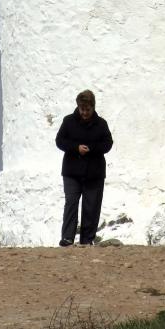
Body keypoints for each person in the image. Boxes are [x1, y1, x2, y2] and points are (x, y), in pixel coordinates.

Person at [55, 89, 113, 246]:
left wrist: (92, 149)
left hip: (94, 172)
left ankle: (87, 240)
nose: (85, 112)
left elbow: (108, 144)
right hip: (72, 172)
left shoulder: (101, 124)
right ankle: (67, 238)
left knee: (91, 206)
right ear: (78, 107)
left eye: (87, 109)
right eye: (82, 109)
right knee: (71, 202)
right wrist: (76, 148)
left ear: (93, 107)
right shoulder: (68, 121)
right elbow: (60, 141)